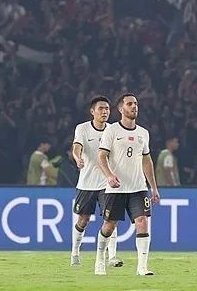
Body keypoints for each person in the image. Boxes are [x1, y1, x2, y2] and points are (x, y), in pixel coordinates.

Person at [95, 93, 160, 276]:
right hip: (116, 188)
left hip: (138, 188)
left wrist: (153, 187)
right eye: (130, 104)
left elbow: (147, 161)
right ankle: (100, 260)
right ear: (121, 109)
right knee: (109, 226)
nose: (134, 107)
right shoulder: (112, 131)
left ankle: (142, 267)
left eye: (136, 104)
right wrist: (109, 176)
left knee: (142, 222)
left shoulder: (143, 133)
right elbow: (101, 157)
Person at [70, 96, 123, 268]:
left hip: (107, 183)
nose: (105, 111)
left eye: (107, 108)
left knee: (111, 219)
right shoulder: (83, 128)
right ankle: (75, 252)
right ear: (92, 111)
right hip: (87, 183)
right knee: (83, 219)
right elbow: (76, 147)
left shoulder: (113, 130)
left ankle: (112, 256)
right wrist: (78, 158)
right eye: (101, 108)